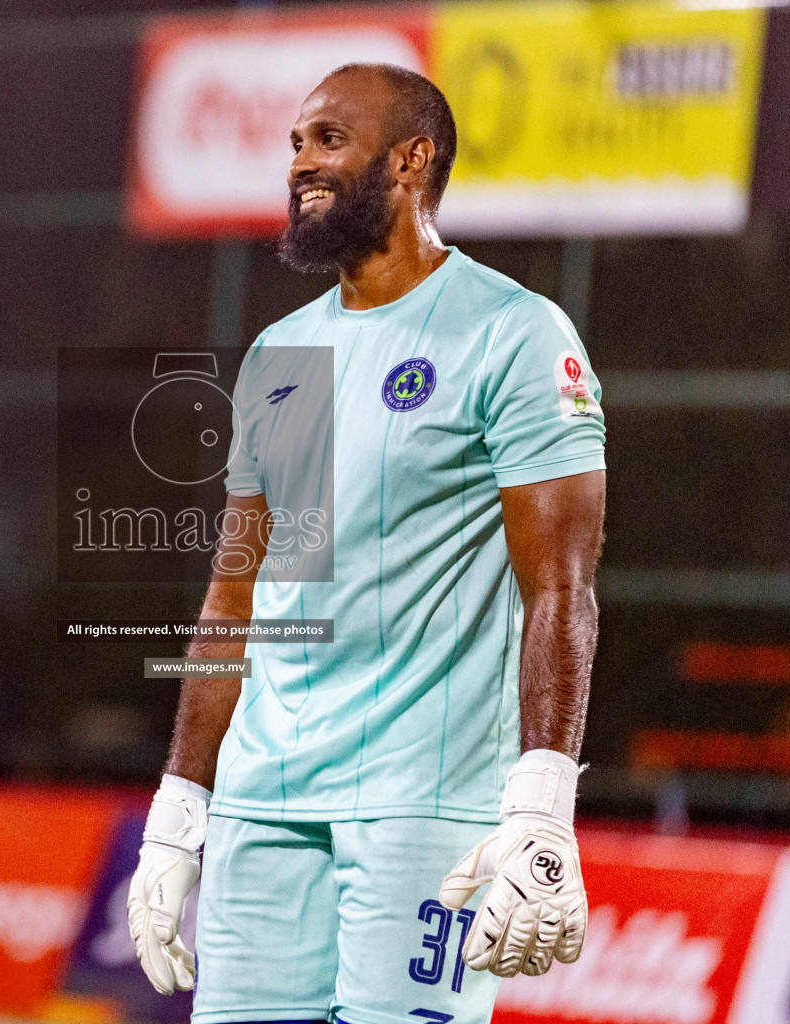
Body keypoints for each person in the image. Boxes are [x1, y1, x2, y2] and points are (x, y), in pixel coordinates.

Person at [125, 63, 606, 1024]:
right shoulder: (282, 356)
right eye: (296, 142)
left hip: (421, 809)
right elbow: (237, 598)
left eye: (329, 140)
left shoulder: (511, 335)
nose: (300, 161)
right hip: (265, 804)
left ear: (411, 161)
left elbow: (562, 590)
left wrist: (543, 804)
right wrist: (180, 813)